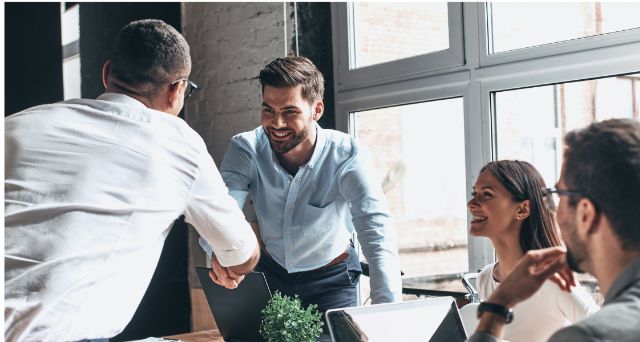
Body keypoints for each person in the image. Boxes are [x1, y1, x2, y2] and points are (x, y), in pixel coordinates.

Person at [4, 19, 259, 342]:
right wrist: (232, 259)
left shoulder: (15, 127)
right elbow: (240, 253)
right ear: (177, 90)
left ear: (107, 73)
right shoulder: (176, 142)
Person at [203, 56, 402, 315]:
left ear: (316, 110)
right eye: (268, 110)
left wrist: (388, 315)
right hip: (271, 274)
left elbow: (377, 234)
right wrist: (218, 251)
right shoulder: (246, 148)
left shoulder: (349, 156)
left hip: (332, 281)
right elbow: (221, 211)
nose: (276, 124)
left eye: (290, 112)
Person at [469, 118, 640, 342]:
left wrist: (497, 307)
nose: (552, 209)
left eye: (559, 195)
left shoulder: (587, 335)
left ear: (586, 213)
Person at [468, 160, 598, 342]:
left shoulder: (552, 281)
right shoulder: (485, 278)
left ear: (522, 209)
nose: (471, 203)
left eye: (487, 194)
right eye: (475, 193)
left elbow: (605, 334)